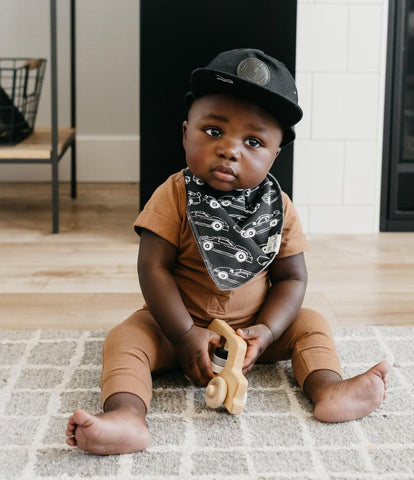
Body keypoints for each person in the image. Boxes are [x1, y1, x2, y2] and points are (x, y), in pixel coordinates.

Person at [66, 48, 389, 455]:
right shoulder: (174, 195)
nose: (230, 149)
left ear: (275, 154)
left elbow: (293, 278)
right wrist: (183, 336)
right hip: (176, 326)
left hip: (253, 332)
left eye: (253, 141)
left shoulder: (279, 207)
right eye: (214, 131)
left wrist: (268, 330)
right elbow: (153, 267)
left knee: (311, 323)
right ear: (186, 132)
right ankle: (127, 415)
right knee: (125, 338)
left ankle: (328, 389)